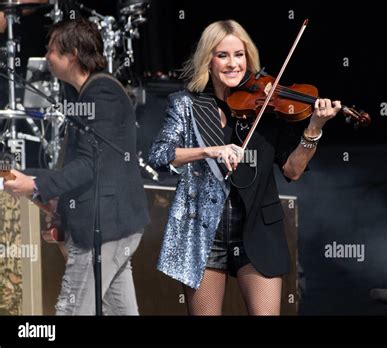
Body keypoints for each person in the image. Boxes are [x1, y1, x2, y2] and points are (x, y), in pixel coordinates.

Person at [148, 19, 341, 315]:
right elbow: (160, 155)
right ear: (208, 61)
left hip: (258, 229)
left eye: (239, 55)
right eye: (222, 55)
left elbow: (293, 170)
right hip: (203, 231)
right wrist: (212, 150)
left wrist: (314, 127)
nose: (233, 64)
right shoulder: (187, 104)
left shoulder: (268, 106)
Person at [3, 18, 150, 315]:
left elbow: (89, 164)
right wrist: (51, 196)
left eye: (51, 50)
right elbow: (85, 164)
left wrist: (35, 184)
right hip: (114, 225)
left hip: (106, 225)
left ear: (71, 54)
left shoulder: (102, 93)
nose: (46, 56)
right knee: (121, 311)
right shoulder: (82, 93)